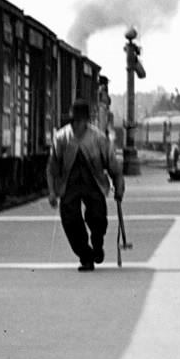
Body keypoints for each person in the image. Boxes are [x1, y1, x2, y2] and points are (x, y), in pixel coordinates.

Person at [47, 97, 125, 271]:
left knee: (97, 218)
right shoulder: (61, 138)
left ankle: (97, 245)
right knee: (70, 220)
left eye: (81, 121)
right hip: (70, 185)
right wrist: (52, 191)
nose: (77, 125)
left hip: (94, 183)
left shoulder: (98, 138)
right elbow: (52, 166)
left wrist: (119, 186)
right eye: (75, 121)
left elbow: (113, 166)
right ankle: (85, 256)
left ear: (87, 121)